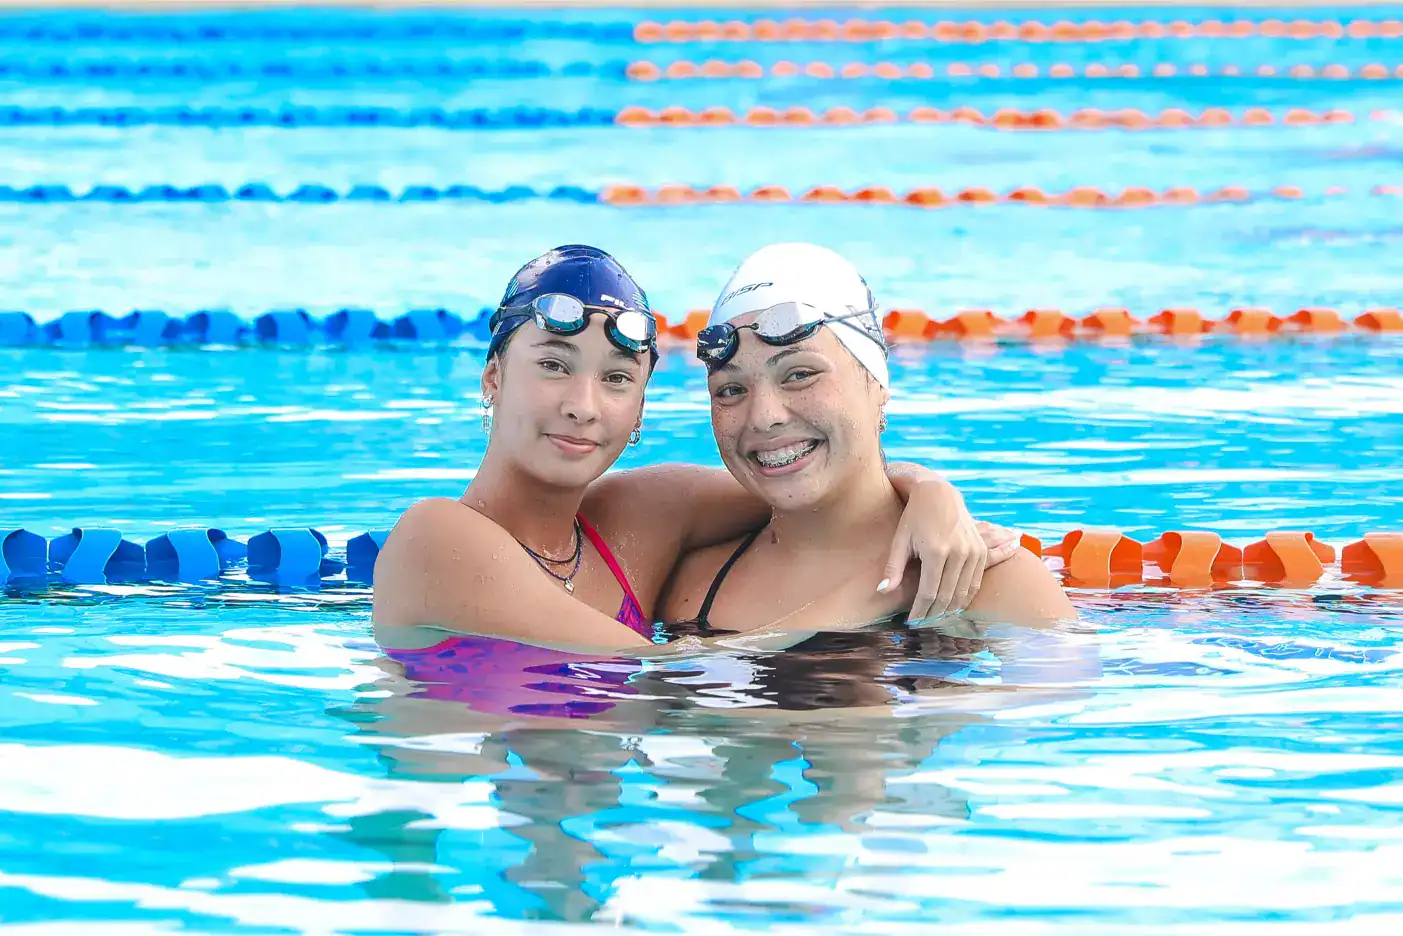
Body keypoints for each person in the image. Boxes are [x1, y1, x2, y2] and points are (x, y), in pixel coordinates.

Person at [372, 244, 1020, 659]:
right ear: (492, 379)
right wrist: (878, 592)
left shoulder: (645, 513)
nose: (583, 404)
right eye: (553, 365)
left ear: (639, 411)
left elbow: (817, 477)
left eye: (617, 378)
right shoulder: (436, 538)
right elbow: (672, 683)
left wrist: (930, 494)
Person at [660, 243, 1076, 636]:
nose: (764, 417)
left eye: (800, 374)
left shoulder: (993, 579)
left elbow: (1052, 701)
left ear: (876, 382)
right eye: (731, 390)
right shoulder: (691, 588)